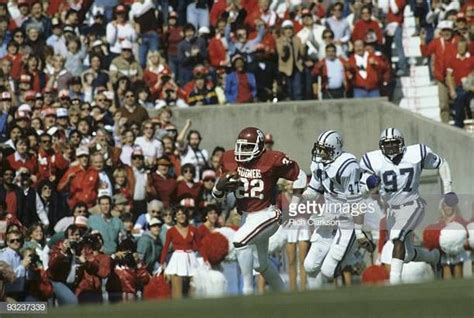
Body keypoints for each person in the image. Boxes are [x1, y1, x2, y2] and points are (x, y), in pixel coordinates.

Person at [212, 127, 307, 294]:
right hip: (246, 217)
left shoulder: (271, 159)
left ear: (259, 147)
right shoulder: (229, 158)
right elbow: (218, 197)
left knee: (240, 240)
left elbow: (300, 176)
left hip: (267, 214)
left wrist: (293, 206)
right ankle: (284, 295)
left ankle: (247, 292)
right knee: (260, 264)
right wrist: (219, 186)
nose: (242, 151)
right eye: (241, 146)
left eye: (248, 147)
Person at [359, 128, 453, 284]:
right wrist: (368, 184)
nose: (390, 148)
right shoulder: (373, 160)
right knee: (406, 255)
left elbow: (442, 163)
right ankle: (434, 257)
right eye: (387, 145)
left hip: (413, 204)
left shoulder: (416, 153)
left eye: (394, 144)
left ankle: (395, 284)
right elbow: (361, 189)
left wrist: (448, 191)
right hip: (392, 212)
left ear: (401, 143)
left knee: (397, 236)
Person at [296, 130, 373, 289]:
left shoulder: (347, 166)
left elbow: (356, 202)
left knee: (328, 271)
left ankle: (353, 258)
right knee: (309, 266)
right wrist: (300, 195)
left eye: (324, 150)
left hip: (347, 218)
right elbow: (313, 191)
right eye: (319, 148)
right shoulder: (318, 164)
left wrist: (358, 231)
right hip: (329, 215)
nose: (320, 153)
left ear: (335, 150)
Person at [160, 206, 199, 299]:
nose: (182, 216)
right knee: (177, 291)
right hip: (177, 259)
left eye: (183, 214)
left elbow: (199, 246)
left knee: (194, 288)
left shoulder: (193, 229)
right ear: (175, 217)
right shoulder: (171, 231)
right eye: (179, 214)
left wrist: (205, 259)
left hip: (191, 259)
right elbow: (165, 247)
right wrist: (162, 263)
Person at [446, 38, 474, 128]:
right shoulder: (452, 60)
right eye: (459, 46)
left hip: (471, 88)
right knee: (459, 99)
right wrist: (451, 90)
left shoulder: (472, 59)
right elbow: (449, 76)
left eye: (463, 46)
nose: (461, 48)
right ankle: (458, 125)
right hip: (459, 87)